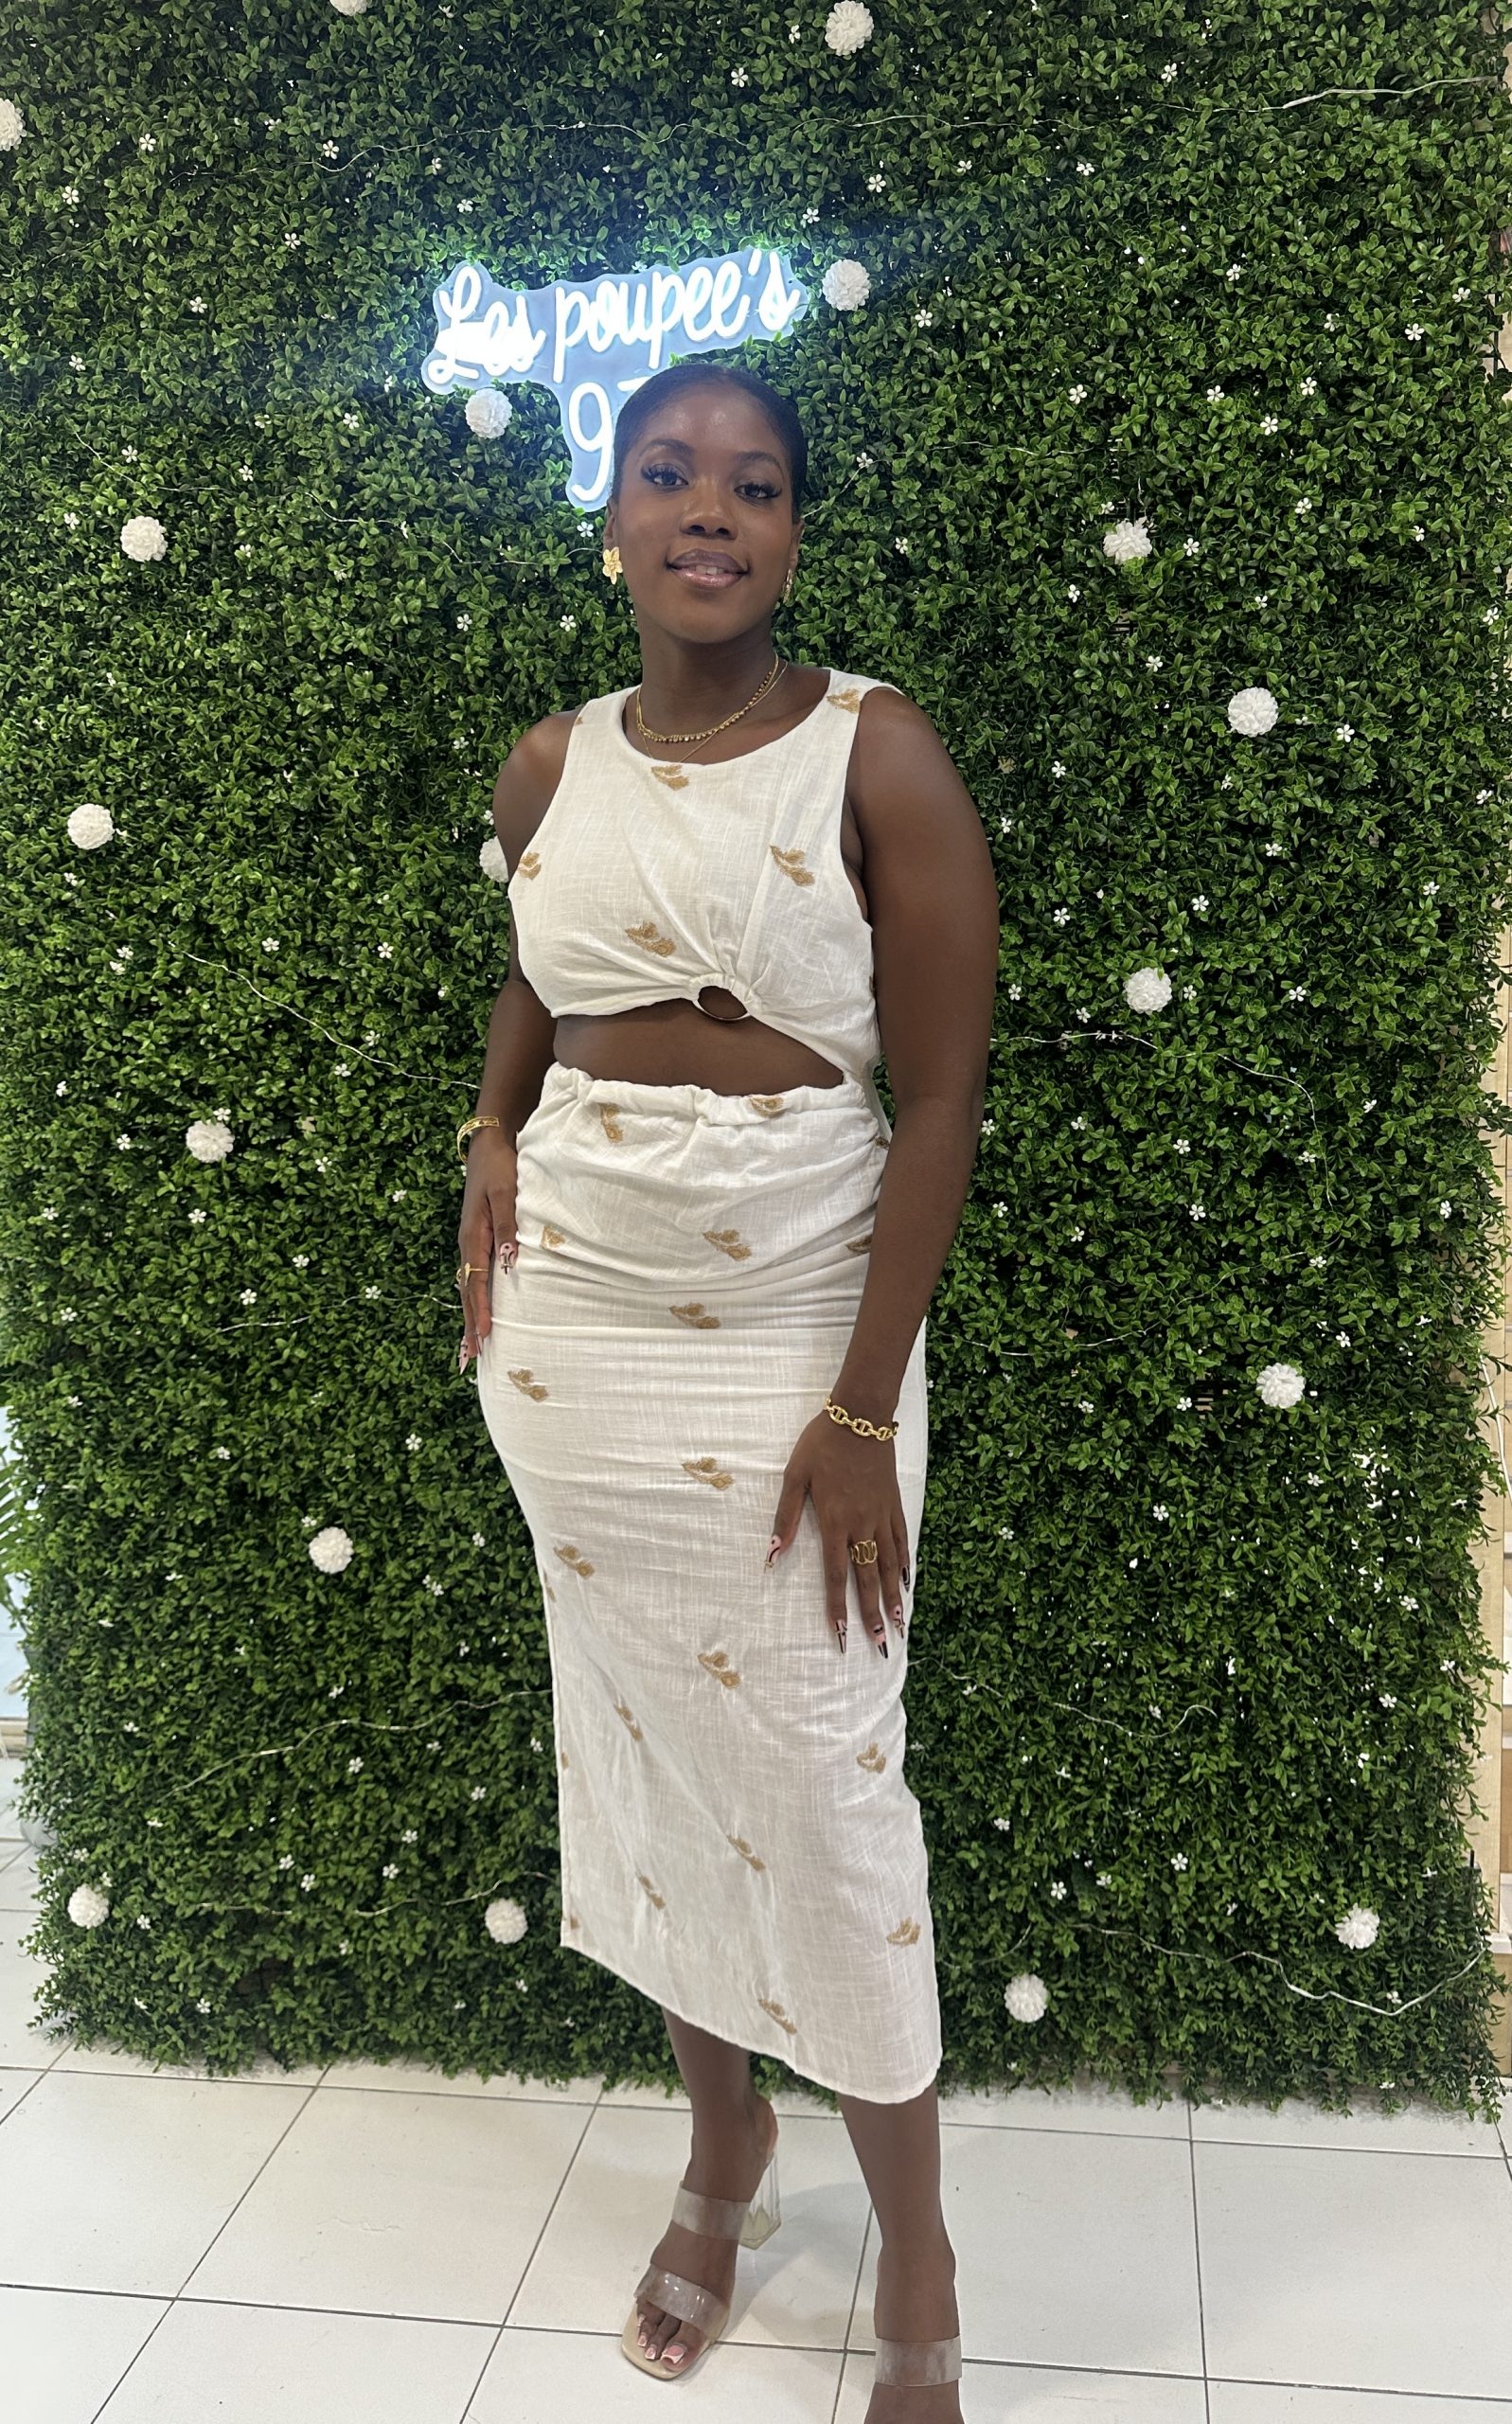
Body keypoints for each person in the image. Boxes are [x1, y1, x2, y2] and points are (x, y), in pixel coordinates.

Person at [455, 357, 998, 2419]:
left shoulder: (878, 753)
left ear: (788, 532)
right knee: (647, 1756)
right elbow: (543, 968)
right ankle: (724, 2146)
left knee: (827, 1785)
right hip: (578, 1330)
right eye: (669, 473)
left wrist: (860, 1410)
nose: (710, 508)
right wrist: (492, 1125)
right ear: (609, 518)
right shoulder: (547, 764)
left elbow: (936, 1101)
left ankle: (917, 2252)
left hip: (798, 1321)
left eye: (752, 484)